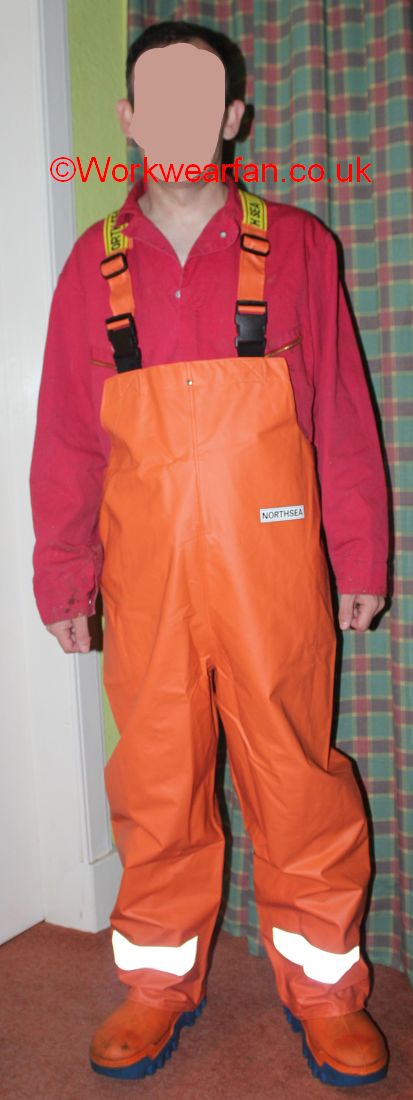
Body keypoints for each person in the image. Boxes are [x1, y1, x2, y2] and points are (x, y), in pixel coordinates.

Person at [29, 19, 390, 1088]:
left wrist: (359, 554)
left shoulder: (300, 246)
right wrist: (62, 571)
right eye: (161, 102)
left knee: (296, 777)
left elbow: (340, 412)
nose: (182, 121)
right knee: (156, 779)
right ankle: (153, 983)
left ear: (234, 117)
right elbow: (66, 435)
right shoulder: (90, 267)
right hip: (145, 578)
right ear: (130, 118)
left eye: (203, 102)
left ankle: (324, 993)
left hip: (272, 571)